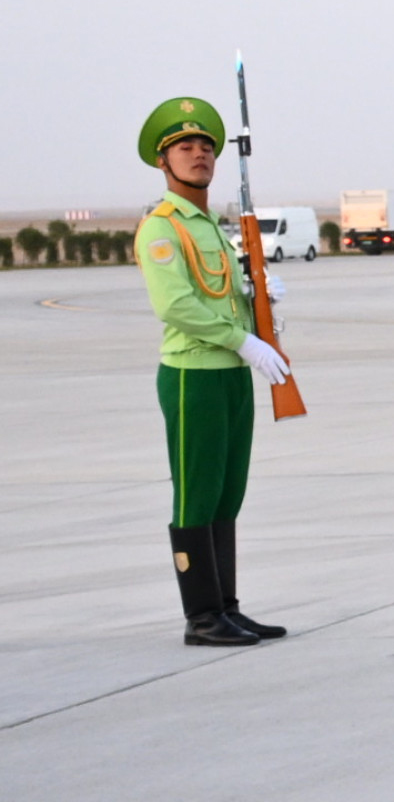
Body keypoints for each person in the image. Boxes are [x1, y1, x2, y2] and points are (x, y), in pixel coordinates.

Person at [134, 96, 291, 645]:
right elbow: (176, 306)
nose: (199, 154)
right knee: (196, 494)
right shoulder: (161, 228)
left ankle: (226, 606)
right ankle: (201, 618)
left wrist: (258, 302)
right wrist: (243, 339)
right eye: (185, 146)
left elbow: (222, 296)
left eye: (205, 146)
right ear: (163, 161)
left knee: (227, 493)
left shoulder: (212, 228)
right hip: (193, 375)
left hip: (231, 372)